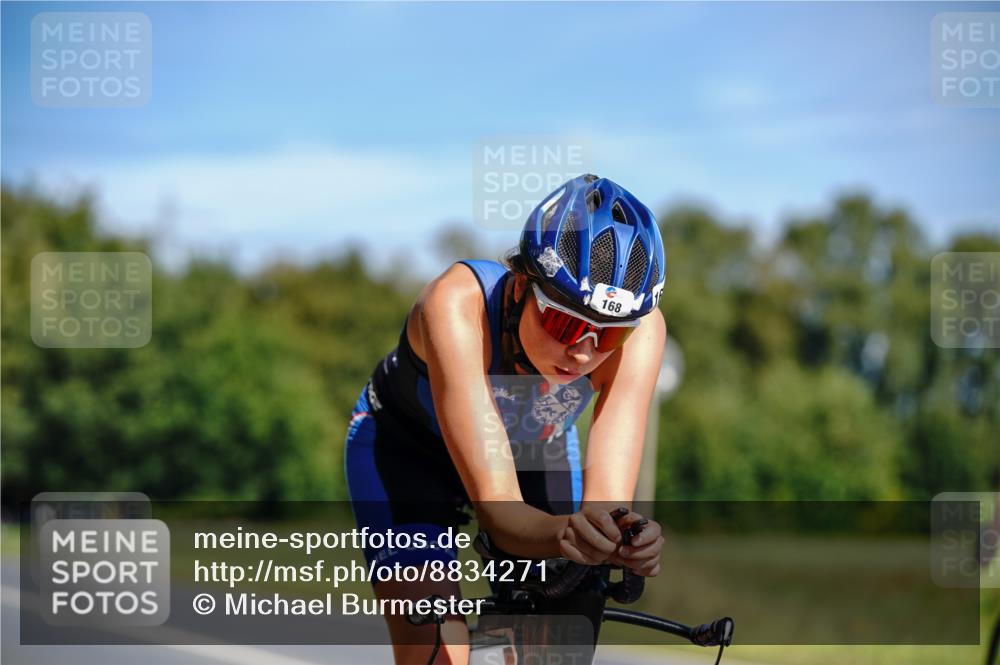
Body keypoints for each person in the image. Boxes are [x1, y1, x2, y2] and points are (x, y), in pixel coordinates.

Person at [344, 174, 668, 664]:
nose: (582, 353)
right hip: (409, 453)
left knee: (557, 642)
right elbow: (499, 512)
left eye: (608, 337)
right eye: (566, 322)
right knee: (433, 650)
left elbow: (604, 509)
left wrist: (620, 538)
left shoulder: (644, 334)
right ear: (521, 285)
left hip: (535, 450)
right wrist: (566, 533)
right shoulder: (456, 305)